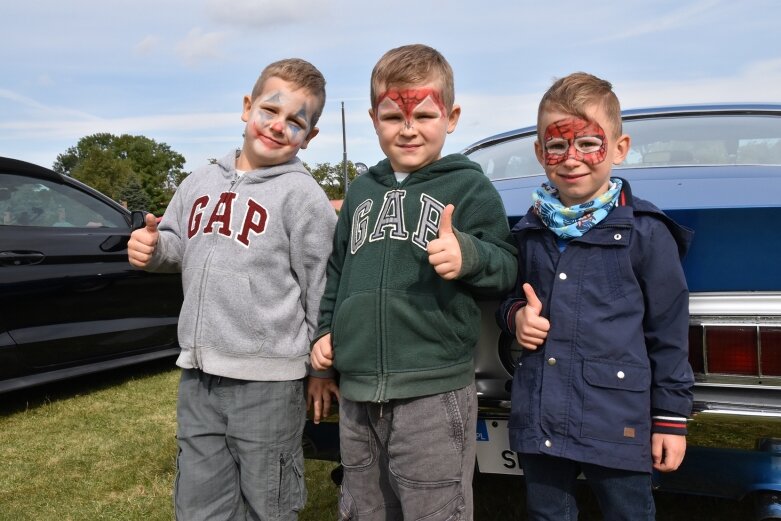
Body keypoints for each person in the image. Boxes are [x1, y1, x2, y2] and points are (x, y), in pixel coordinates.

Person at [310, 44, 518, 521]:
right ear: (373, 117)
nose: (408, 128)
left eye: (424, 114)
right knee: (364, 506)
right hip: (359, 391)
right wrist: (324, 338)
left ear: (452, 116)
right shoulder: (362, 190)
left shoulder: (469, 187)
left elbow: (507, 264)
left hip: (433, 391)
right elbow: (337, 273)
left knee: (434, 507)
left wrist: (469, 255)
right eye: (392, 116)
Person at [127, 58, 338, 521]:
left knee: (268, 502)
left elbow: (322, 286)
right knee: (199, 502)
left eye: (296, 122)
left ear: (310, 137)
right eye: (270, 110)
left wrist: (321, 369)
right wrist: (153, 248)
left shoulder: (303, 197)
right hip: (199, 375)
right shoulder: (198, 182)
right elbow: (180, 245)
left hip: (269, 381)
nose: (278, 127)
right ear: (247, 107)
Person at [496, 72, 694, 521]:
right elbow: (508, 297)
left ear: (619, 148)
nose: (572, 159)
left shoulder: (646, 232)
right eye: (557, 144)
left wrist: (670, 418)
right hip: (541, 415)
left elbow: (668, 333)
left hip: (617, 424)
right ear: (539, 152)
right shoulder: (528, 231)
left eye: (588, 143)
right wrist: (514, 319)